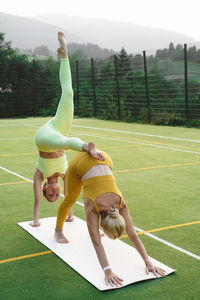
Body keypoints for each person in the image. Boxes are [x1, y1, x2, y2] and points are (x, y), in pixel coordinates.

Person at [54, 150, 166, 287]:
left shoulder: (121, 204)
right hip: (80, 162)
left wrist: (148, 262)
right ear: (101, 223)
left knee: (81, 197)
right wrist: (107, 271)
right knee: (70, 199)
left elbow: (132, 235)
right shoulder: (92, 207)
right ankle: (58, 230)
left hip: (105, 159)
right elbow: (97, 244)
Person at [30, 32, 104, 227]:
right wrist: (70, 216)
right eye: (57, 194)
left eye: (51, 194)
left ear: (45, 188)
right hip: (59, 130)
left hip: (45, 136)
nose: (56, 192)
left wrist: (36, 222)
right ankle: (64, 54)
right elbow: (70, 197)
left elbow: (37, 201)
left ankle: (87, 147)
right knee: (69, 93)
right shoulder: (65, 174)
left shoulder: (39, 175)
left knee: (64, 143)